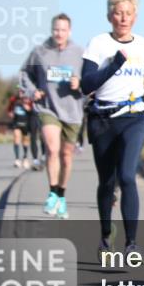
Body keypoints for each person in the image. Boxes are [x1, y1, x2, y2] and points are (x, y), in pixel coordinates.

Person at [81, 0, 144, 258]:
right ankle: (105, 236)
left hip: (134, 116)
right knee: (107, 182)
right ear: (109, 16)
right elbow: (86, 84)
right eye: (118, 13)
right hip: (103, 119)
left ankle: (132, 244)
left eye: (128, 13)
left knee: (127, 176)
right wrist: (113, 65)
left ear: (135, 17)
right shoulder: (98, 44)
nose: (123, 18)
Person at [21, 14, 85, 218]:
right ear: (51, 30)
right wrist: (32, 91)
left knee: (66, 156)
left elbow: (91, 79)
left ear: (70, 31)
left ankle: (61, 196)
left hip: (72, 111)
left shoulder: (79, 53)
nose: (59, 33)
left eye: (63, 30)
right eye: (56, 29)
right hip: (47, 108)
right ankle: (52, 193)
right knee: (52, 148)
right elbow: (24, 74)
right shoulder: (40, 52)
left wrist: (80, 83)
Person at [6, 89, 32, 168]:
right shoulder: (14, 99)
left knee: (25, 140)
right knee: (16, 137)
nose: (20, 93)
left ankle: (25, 158)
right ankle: (17, 159)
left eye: (22, 91)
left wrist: (29, 109)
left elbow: (33, 110)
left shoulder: (29, 98)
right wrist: (10, 113)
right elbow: (9, 109)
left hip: (26, 122)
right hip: (16, 122)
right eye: (19, 91)